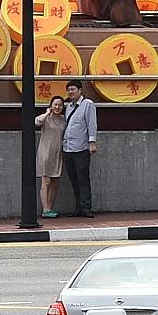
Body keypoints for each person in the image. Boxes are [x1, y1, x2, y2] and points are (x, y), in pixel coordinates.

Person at [61, 79, 98, 218]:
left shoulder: (87, 104)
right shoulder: (69, 106)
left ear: (80, 90)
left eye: (73, 89)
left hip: (81, 148)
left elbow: (91, 124)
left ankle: (86, 207)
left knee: (83, 179)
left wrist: (92, 142)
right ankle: (78, 207)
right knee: (73, 179)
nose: (70, 92)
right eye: (69, 89)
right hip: (68, 149)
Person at [35, 96, 68, 218]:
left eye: (60, 105)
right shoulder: (46, 118)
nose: (57, 107)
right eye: (55, 104)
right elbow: (37, 122)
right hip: (45, 153)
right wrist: (47, 113)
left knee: (55, 182)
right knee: (46, 181)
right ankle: (45, 209)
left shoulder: (64, 119)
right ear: (51, 105)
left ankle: (50, 207)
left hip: (58, 153)